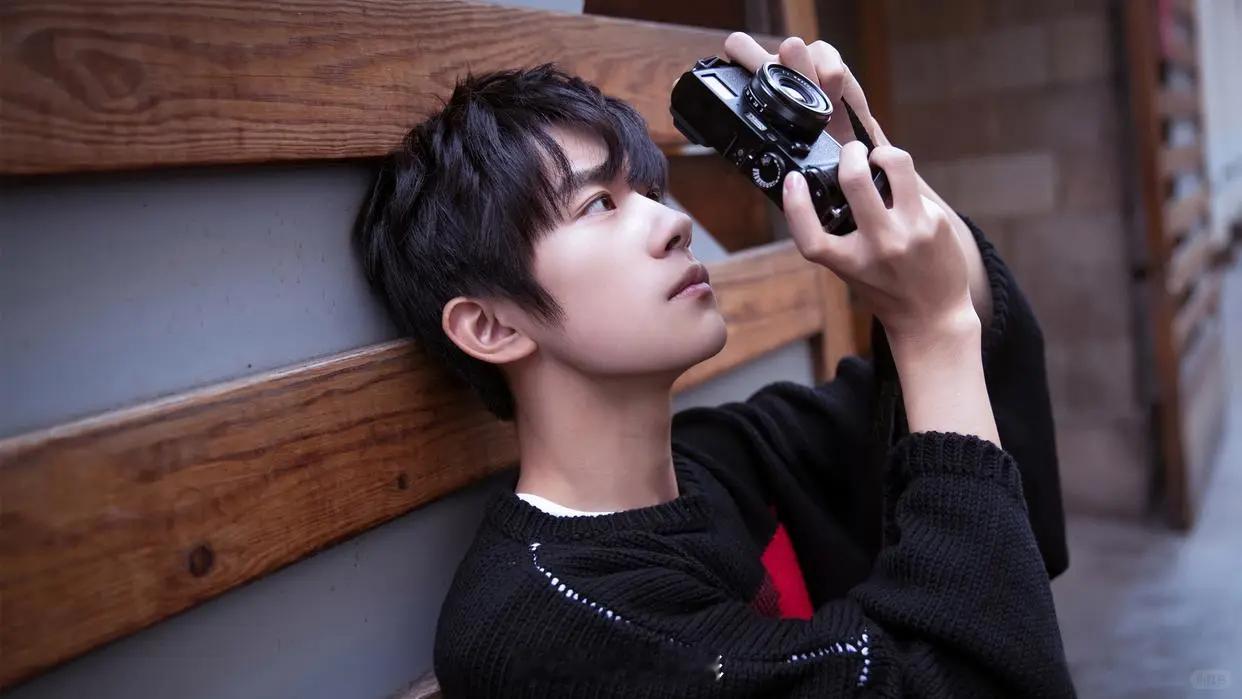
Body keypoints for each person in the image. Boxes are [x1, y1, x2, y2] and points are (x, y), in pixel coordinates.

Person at [354, 31, 1073, 698]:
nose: (674, 222)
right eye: (599, 203)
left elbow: (974, 373)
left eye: (650, 193)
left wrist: (866, 177)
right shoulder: (542, 624)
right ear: (491, 325)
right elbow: (969, 675)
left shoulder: (726, 458)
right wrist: (931, 328)